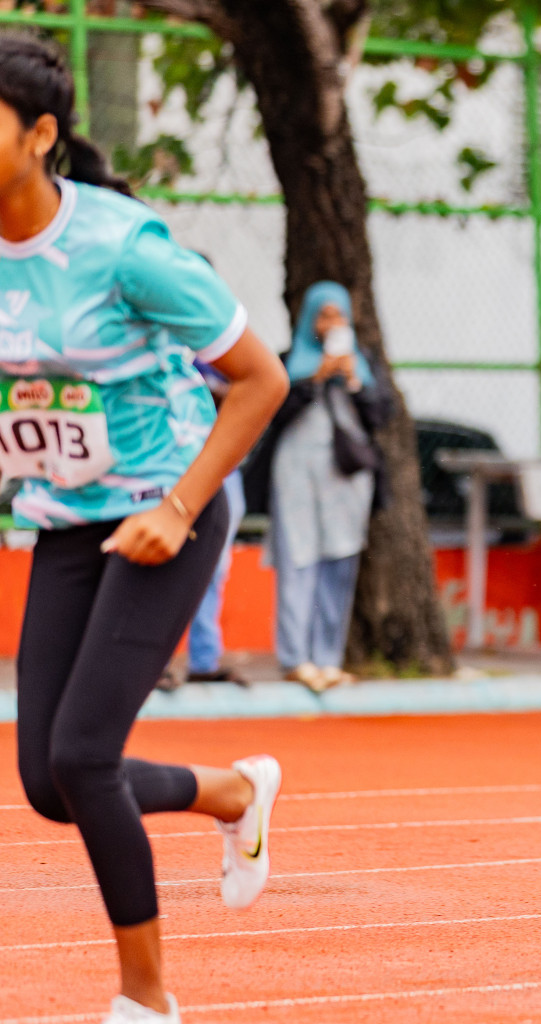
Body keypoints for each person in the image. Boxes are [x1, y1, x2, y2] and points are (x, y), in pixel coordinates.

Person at [0, 34, 290, 1024]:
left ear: (41, 134)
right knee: (45, 779)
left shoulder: (123, 246)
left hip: (171, 506)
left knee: (84, 756)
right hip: (68, 521)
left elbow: (261, 380)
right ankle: (232, 794)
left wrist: (177, 507)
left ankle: (146, 998)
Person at [261, 281, 392, 693]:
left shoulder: (365, 362)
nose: (331, 323)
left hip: (345, 480)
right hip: (296, 472)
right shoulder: (286, 362)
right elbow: (272, 412)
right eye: (324, 315)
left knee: (339, 562)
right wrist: (314, 378)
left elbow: (382, 415)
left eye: (338, 315)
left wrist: (354, 379)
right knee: (297, 560)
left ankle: (328, 659)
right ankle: (295, 659)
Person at [158, 358, 249, 692]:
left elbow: (258, 390)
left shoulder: (226, 350)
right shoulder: (170, 353)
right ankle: (155, 664)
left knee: (214, 568)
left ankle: (204, 661)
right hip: (169, 468)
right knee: (160, 566)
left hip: (224, 473)